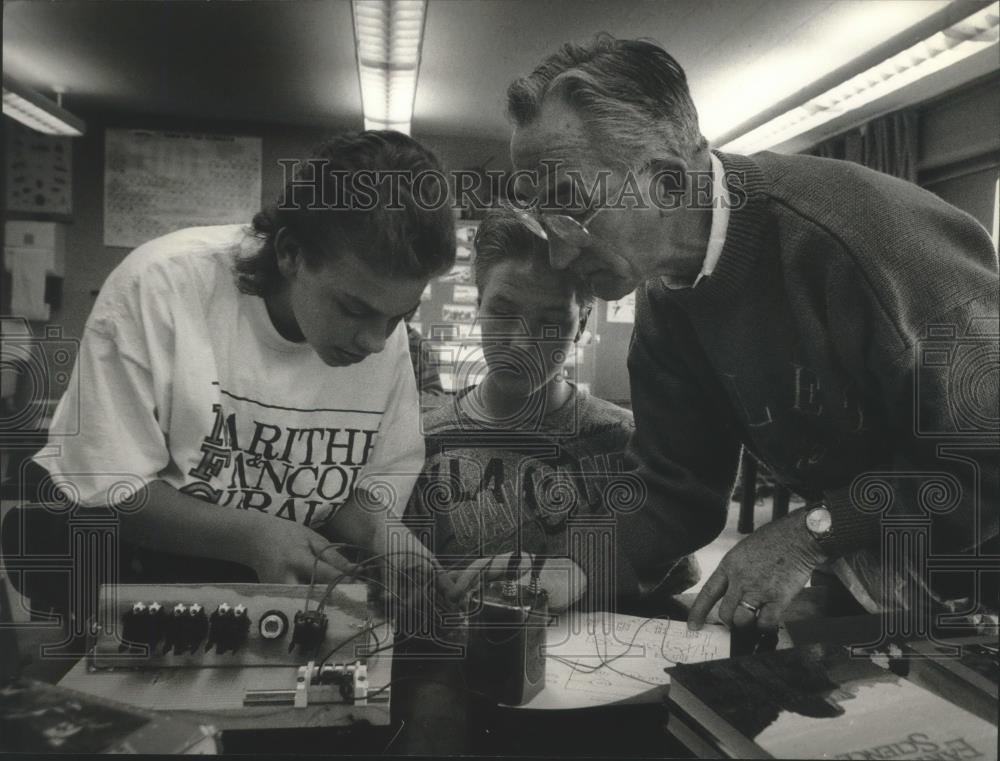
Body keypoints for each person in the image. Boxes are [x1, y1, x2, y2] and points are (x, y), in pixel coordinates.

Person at [503, 36, 999, 632]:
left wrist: (816, 530)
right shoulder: (666, 300)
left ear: (667, 183)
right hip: (897, 576)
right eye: (539, 216)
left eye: (571, 209)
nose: (558, 256)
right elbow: (674, 489)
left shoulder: (863, 240)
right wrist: (568, 567)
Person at [32, 131, 459, 603]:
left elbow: (354, 500)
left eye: (400, 316)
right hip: (136, 582)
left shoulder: (383, 333)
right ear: (290, 253)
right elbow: (108, 486)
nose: (376, 341)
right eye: (354, 310)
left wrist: (388, 540)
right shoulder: (161, 286)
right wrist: (254, 536)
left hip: (270, 597)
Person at [407, 209, 700, 611]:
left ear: (581, 323)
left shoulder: (625, 446)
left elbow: (664, 592)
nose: (521, 344)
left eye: (550, 321)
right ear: (479, 305)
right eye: (504, 312)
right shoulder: (422, 442)